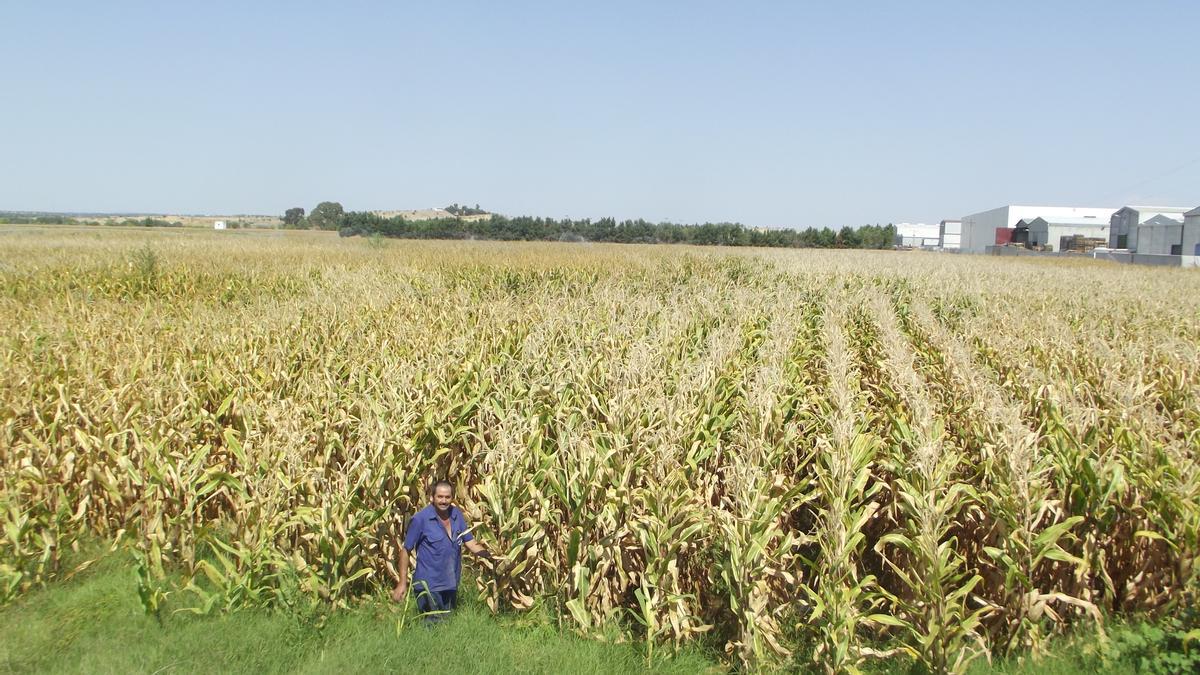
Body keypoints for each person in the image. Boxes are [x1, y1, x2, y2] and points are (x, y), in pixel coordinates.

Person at [391, 480, 495, 620]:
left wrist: (492, 556)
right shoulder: (420, 519)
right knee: (431, 628)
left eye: (447, 497)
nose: (444, 501)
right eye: (440, 497)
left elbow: (470, 543)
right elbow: (406, 550)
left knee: (447, 625)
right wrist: (402, 582)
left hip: (451, 582)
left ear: (452, 498)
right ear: (432, 497)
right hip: (429, 585)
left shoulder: (457, 515)